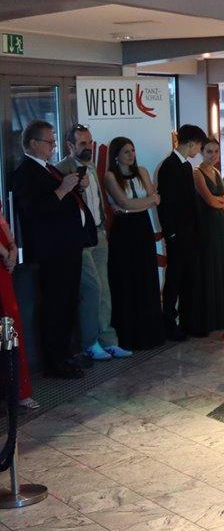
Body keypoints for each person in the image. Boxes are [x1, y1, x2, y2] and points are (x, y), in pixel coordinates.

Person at [12, 121, 97, 378]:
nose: (53, 146)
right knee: (55, 305)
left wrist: (75, 187)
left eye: (53, 141)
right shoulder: (25, 172)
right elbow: (34, 210)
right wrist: (63, 189)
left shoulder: (48, 168)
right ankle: (55, 362)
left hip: (69, 246)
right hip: (52, 251)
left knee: (68, 302)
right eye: (49, 141)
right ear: (34, 143)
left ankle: (66, 354)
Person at [57, 125, 130, 361]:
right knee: (92, 289)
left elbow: (96, 202)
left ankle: (108, 341)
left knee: (104, 290)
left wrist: (103, 227)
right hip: (79, 240)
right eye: (82, 143)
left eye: (89, 142)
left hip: (98, 233)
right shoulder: (61, 169)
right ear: (70, 145)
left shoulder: (90, 167)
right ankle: (90, 342)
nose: (88, 147)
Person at [104, 137, 164, 351]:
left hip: (142, 227)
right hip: (124, 231)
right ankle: (128, 335)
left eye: (133, 150)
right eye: (126, 152)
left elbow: (155, 198)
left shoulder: (142, 172)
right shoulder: (111, 176)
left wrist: (135, 205)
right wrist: (143, 203)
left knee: (146, 276)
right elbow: (124, 203)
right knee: (126, 278)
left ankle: (150, 332)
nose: (131, 155)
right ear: (116, 155)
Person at [158, 124, 207, 340]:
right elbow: (166, 204)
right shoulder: (169, 166)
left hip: (190, 232)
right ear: (191, 143)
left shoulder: (186, 166)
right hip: (177, 233)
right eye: (199, 145)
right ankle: (169, 324)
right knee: (174, 279)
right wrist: (171, 233)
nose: (198, 150)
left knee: (190, 278)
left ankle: (189, 322)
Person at [193, 137, 224, 334]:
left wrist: (221, 200)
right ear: (202, 152)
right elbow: (210, 201)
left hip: (219, 222)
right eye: (209, 151)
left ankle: (223, 316)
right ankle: (210, 317)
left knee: (221, 265)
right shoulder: (197, 173)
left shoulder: (217, 172)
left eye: (216, 151)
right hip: (206, 224)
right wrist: (221, 200)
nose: (213, 155)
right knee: (210, 266)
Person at [0, 210, 36, 408]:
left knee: (9, 323)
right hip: (3, 259)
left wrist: (12, 248)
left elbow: (1, 221)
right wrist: (6, 253)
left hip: (4, 265)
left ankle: (16, 389)